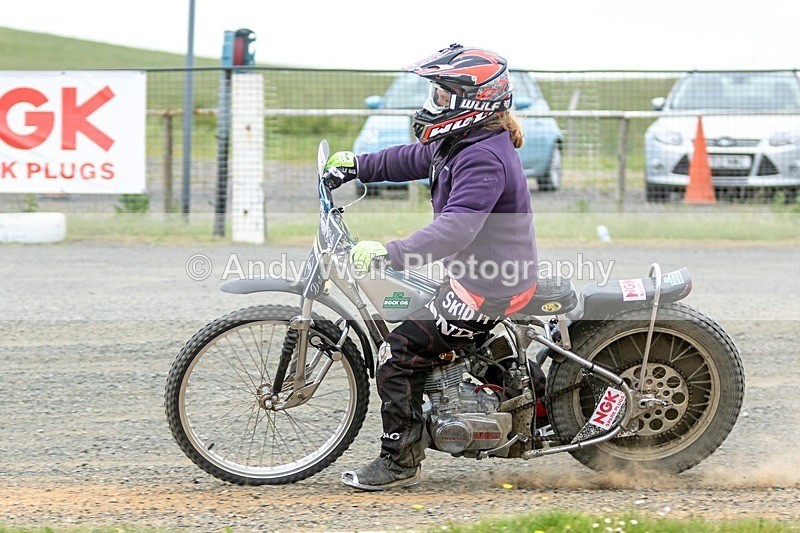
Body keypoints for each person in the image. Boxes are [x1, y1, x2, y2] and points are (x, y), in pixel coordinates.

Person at [322, 44, 538, 491]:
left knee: (396, 355)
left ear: (472, 102)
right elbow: (411, 158)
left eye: (443, 95)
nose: (434, 103)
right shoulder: (461, 142)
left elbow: (454, 230)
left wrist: (389, 252)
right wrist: (356, 165)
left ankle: (399, 463)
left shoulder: (483, 157)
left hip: (489, 286)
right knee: (414, 321)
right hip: (475, 274)